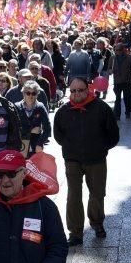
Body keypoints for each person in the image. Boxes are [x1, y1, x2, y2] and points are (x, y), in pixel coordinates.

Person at [53, 76, 119, 246]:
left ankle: (97, 223)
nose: (76, 94)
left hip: (96, 159)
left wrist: (100, 148)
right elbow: (58, 136)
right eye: (73, 91)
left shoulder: (102, 108)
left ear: (88, 89)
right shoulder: (63, 111)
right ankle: (75, 232)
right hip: (72, 160)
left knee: (97, 194)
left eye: (80, 90)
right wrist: (70, 148)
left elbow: (113, 135)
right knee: (73, 196)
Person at [15, 81, 51, 158]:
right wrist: (30, 131)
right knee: (21, 169)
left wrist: (40, 143)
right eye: (28, 93)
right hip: (21, 146)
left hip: (36, 147)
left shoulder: (40, 107)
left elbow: (47, 129)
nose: (31, 96)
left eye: (33, 93)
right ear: (23, 93)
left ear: (37, 94)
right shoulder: (17, 107)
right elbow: (14, 129)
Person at [110, 41, 131, 120]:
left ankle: (128, 112)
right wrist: (110, 71)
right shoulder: (113, 58)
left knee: (127, 98)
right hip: (117, 81)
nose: (117, 51)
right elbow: (109, 67)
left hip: (127, 81)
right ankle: (117, 115)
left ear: (123, 50)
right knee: (117, 99)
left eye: (119, 50)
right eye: (116, 50)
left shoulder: (129, 57)